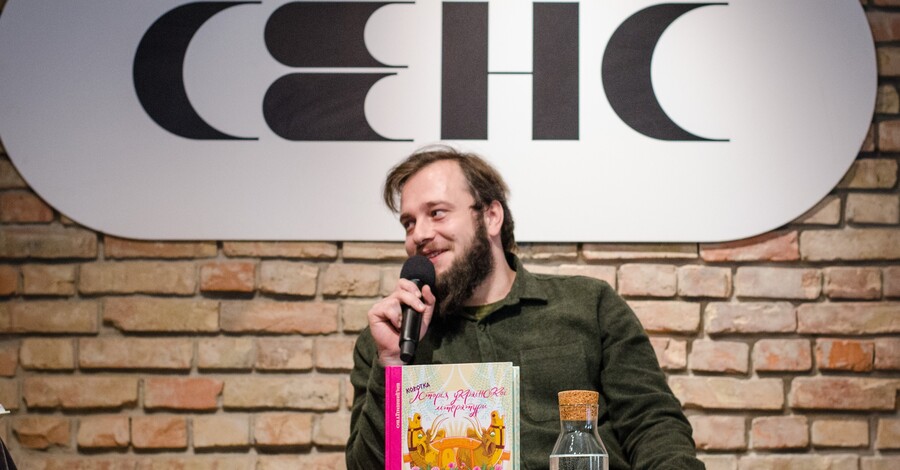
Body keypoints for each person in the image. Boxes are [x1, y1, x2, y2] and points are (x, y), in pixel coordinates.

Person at [346, 146, 703, 469]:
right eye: (408, 223)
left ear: (491, 216)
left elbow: (654, 426)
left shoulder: (589, 305)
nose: (418, 235)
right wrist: (392, 366)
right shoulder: (388, 341)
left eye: (436, 213)